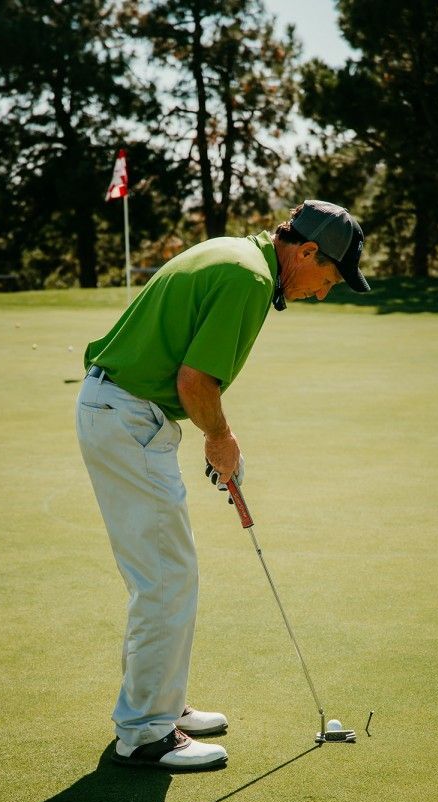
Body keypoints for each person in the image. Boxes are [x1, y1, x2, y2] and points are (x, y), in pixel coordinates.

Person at [76, 199, 370, 772]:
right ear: (306, 251)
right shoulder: (250, 277)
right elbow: (196, 380)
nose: (323, 292)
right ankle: (144, 733)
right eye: (328, 278)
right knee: (165, 579)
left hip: (127, 414)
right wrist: (222, 440)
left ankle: (161, 706)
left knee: (170, 574)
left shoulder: (241, 258)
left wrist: (215, 435)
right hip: (127, 416)